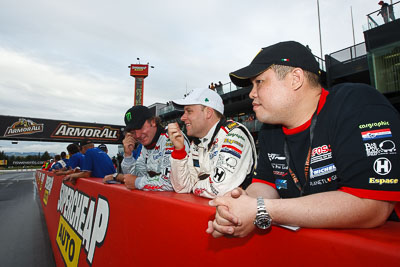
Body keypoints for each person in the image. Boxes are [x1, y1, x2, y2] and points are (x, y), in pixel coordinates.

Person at [206, 41, 400, 238]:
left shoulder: (357, 104)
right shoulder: (270, 129)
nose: (251, 94)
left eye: (259, 82)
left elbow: (374, 206)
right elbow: (265, 183)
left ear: (295, 79)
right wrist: (238, 208)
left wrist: (262, 208)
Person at [168, 88, 257, 198]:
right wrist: (179, 150)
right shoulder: (197, 143)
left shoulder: (234, 134)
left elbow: (219, 189)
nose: (182, 117)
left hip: (241, 213)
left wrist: (194, 186)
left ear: (208, 113)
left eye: (189, 111)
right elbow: (181, 187)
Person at [103, 105, 190, 191]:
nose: (137, 135)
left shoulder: (171, 138)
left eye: (140, 128)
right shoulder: (147, 145)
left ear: (153, 122)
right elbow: (133, 178)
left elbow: (170, 183)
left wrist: (136, 182)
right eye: (133, 132)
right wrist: (128, 155)